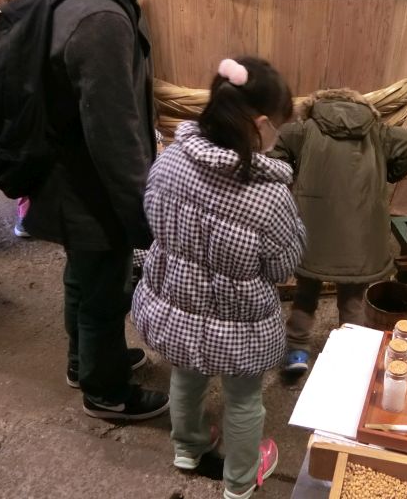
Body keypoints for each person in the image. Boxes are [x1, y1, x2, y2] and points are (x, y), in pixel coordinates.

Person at [23, 0, 198, 419]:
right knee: (105, 288)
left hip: (68, 172)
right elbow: (114, 137)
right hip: (90, 183)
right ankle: (106, 391)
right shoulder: (101, 14)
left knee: (83, 275)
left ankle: (84, 362)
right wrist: (144, 219)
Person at [132, 57, 305, 499]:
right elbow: (281, 266)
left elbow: (153, 219)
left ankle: (187, 448)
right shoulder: (268, 195)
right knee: (244, 399)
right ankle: (240, 482)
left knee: (186, 376)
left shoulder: (170, 160)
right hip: (238, 322)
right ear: (261, 125)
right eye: (278, 128)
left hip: (178, 304)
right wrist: (297, 228)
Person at [270, 88, 407, 373]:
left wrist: (294, 174)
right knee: (352, 298)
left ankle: (297, 352)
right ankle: (350, 356)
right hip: (360, 234)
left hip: (312, 228)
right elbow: (405, 144)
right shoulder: (377, 131)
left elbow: (277, 149)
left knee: (305, 293)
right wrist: (389, 173)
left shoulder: (303, 130)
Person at [9, 0, 87, 237]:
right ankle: (29, 209)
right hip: (43, 49)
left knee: (77, 129)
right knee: (41, 131)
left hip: (85, 45)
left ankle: (73, 203)